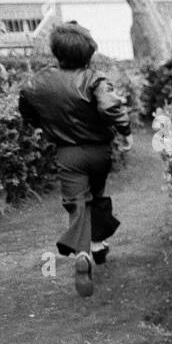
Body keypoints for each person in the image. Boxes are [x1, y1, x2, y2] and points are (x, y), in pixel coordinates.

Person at [18, 21, 128, 297]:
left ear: (56, 52)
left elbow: (27, 109)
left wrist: (43, 126)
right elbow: (111, 108)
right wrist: (125, 131)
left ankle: (83, 254)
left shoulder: (37, 81)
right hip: (99, 151)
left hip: (68, 153)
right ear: (89, 53)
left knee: (77, 204)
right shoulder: (95, 79)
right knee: (96, 195)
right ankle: (98, 245)